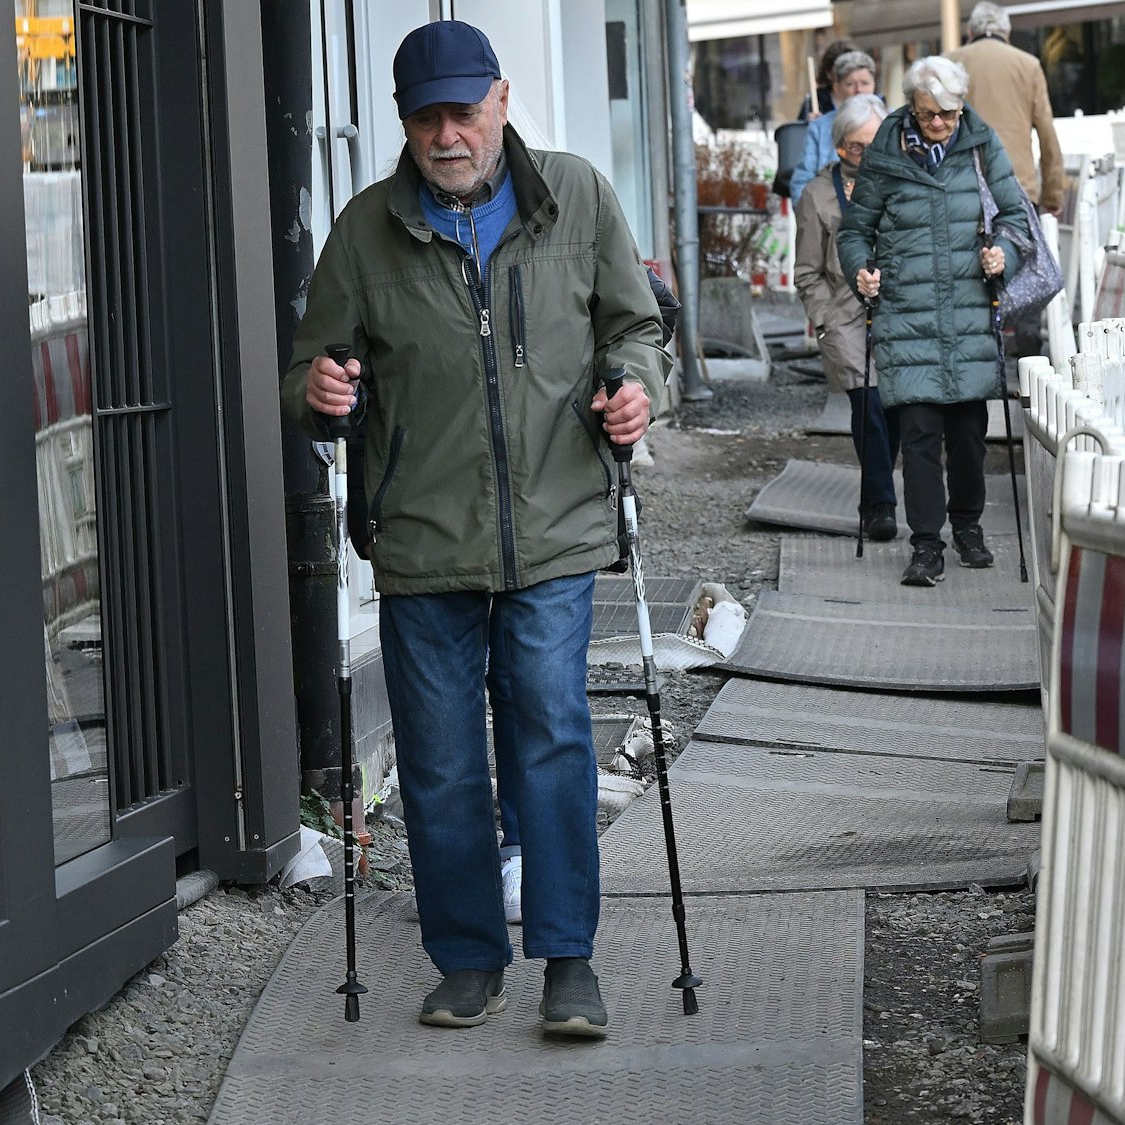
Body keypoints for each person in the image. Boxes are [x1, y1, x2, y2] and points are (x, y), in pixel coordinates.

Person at [280, 20, 667, 1039]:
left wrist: (635, 389)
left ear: (499, 99)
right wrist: (320, 394)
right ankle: (464, 959)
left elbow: (633, 326)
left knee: (549, 731)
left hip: (555, 525)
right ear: (404, 124)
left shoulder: (574, 195)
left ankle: (568, 961)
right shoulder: (365, 230)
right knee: (441, 757)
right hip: (420, 533)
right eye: (424, 118)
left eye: (462, 110)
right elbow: (312, 368)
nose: (447, 134)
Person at [838, 57, 1031, 588]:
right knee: (919, 433)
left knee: (969, 434)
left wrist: (1003, 257)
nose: (939, 123)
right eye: (928, 114)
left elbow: (1016, 217)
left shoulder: (981, 143)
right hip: (907, 312)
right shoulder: (886, 150)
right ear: (913, 107)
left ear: (962, 105)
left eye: (948, 113)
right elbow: (854, 231)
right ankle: (926, 546)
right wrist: (861, 270)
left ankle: (968, 526)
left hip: (969, 311)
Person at [794, 94, 899, 542]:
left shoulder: (899, 182)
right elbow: (806, 270)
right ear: (840, 147)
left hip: (895, 312)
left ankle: (873, 494)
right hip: (842, 313)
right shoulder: (817, 195)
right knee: (867, 404)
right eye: (859, 147)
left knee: (894, 410)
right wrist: (823, 318)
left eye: (877, 144)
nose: (869, 155)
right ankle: (881, 507)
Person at [946, 2, 1065, 217]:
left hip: (962, 189)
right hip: (1018, 186)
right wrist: (1052, 194)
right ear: (1007, 32)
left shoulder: (949, 63)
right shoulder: (1029, 65)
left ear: (970, 32)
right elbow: (1047, 133)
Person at [788, 50, 877, 202]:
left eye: (865, 83)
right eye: (850, 84)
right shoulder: (820, 128)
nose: (859, 90)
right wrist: (815, 218)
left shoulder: (892, 122)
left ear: (874, 84)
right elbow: (801, 184)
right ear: (836, 87)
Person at [799, 36, 862, 121]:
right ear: (829, 74)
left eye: (853, 69)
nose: (849, 75)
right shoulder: (815, 102)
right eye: (842, 69)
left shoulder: (871, 102)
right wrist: (808, 126)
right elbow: (798, 132)